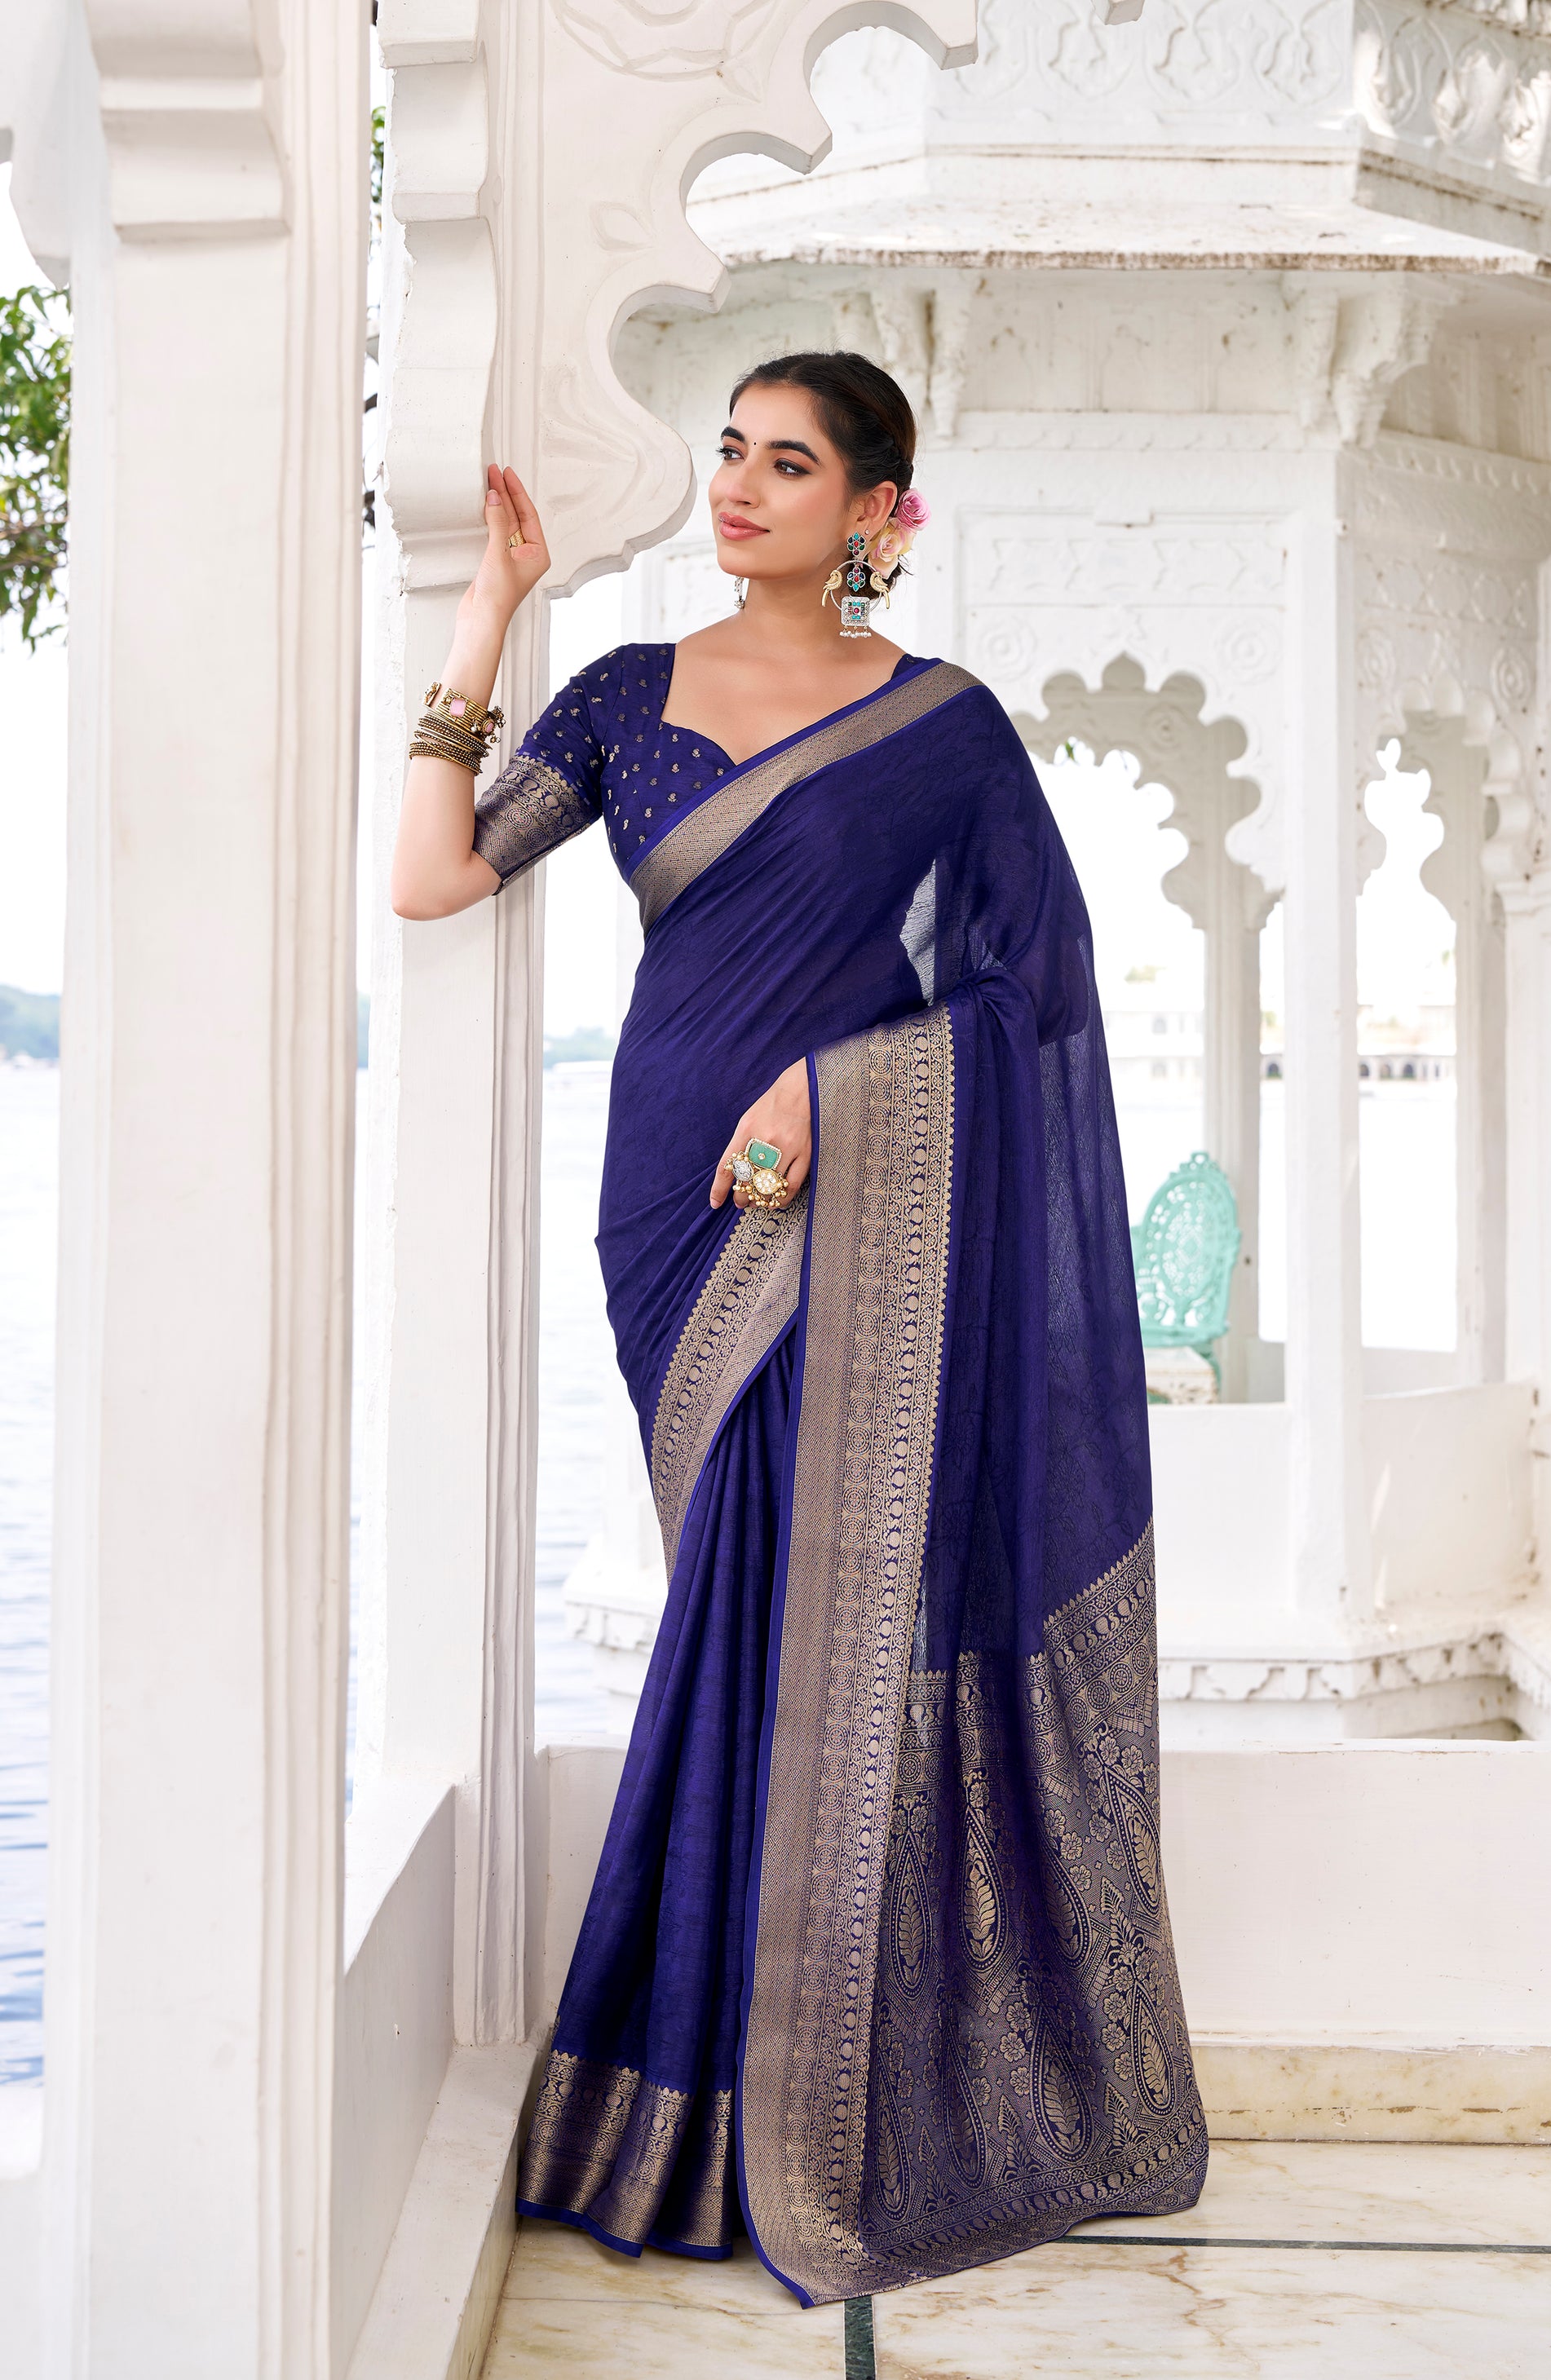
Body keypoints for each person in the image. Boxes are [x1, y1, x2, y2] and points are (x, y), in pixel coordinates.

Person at [390, 351, 1208, 2307]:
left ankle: (785, 2100)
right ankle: (715, 2088)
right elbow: (432, 874)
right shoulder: (623, 697)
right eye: (732, 454)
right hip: (673, 1206)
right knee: (736, 1604)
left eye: (787, 463)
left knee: (786, 1633)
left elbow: (1035, 990)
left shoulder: (942, 730)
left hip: (845, 1202)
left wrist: (840, 1092)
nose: (741, 488)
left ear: (872, 514)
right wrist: (489, 608)